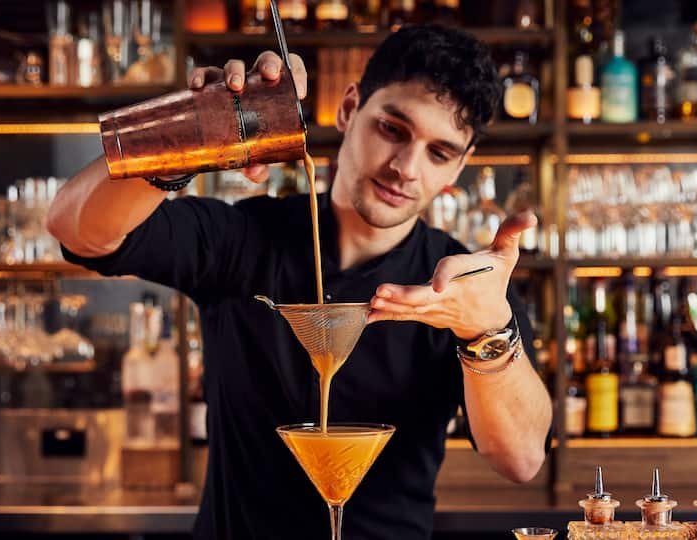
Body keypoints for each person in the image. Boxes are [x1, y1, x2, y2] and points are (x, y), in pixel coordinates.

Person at [47, 24, 551, 540]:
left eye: (439, 153)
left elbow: (521, 459)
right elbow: (75, 228)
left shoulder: (466, 289)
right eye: (392, 129)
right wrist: (192, 132)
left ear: (459, 168)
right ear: (350, 108)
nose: (405, 168)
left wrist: (486, 330)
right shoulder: (242, 239)